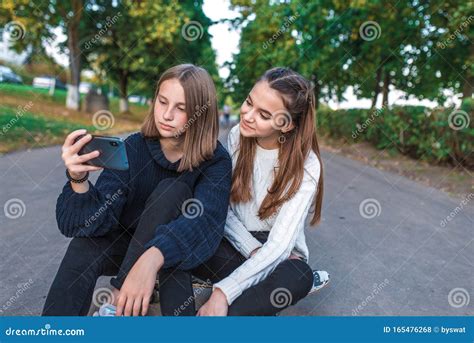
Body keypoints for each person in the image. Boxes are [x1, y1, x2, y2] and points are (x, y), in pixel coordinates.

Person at [41, 64, 232, 316]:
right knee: (82, 248)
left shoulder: (215, 160)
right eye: (162, 102)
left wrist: (151, 258)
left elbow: (206, 222)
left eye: (181, 108)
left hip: (181, 250)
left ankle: (121, 306)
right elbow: (93, 222)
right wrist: (78, 179)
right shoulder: (134, 147)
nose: (166, 115)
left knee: (171, 192)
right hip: (127, 246)